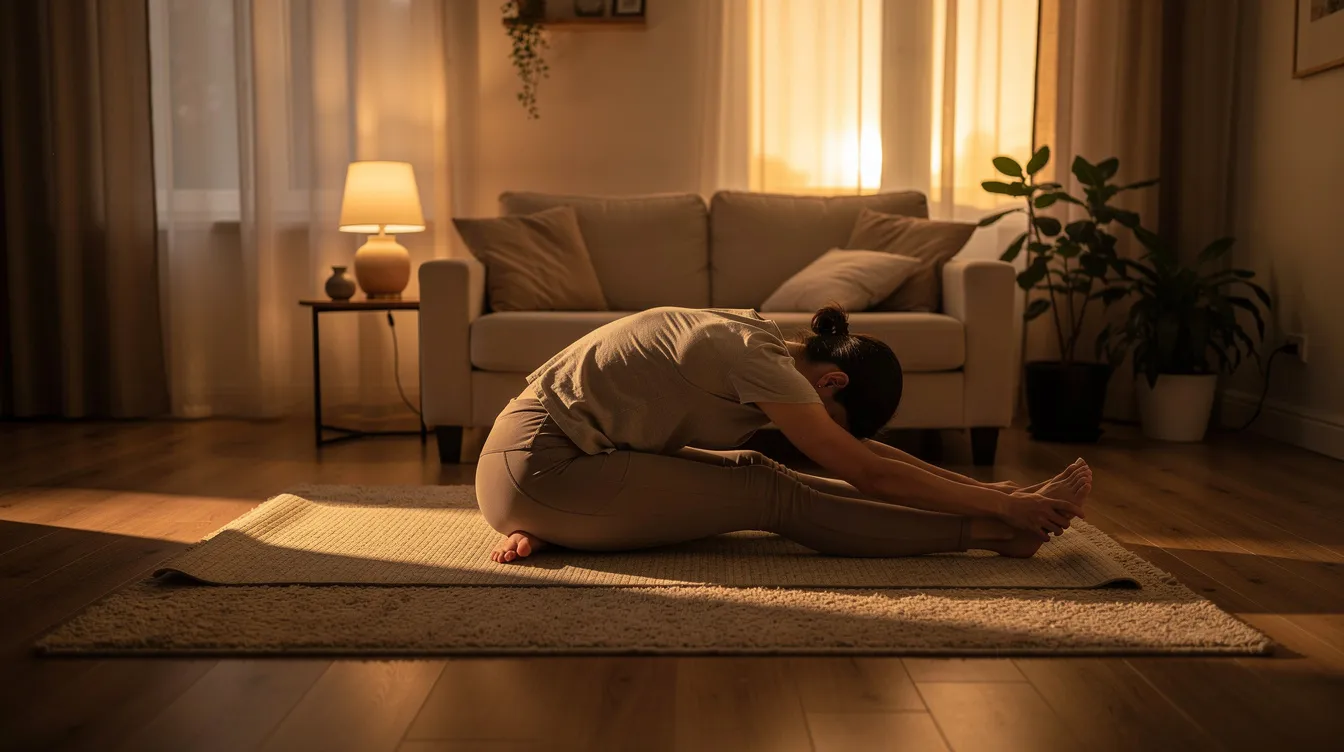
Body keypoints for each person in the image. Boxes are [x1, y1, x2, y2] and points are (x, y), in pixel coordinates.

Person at [475, 305, 1090, 564]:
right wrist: (1002, 510)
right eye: (835, 422)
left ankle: (1002, 512)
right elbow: (866, 471)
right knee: (771, 494)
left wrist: (999, 486)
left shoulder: (757, 337)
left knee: (759, 468)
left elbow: (860, 454)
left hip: (554, 465)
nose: (827, 434)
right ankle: (992, 536)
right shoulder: (756, 362)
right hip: (544, 469)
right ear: (832, 385)